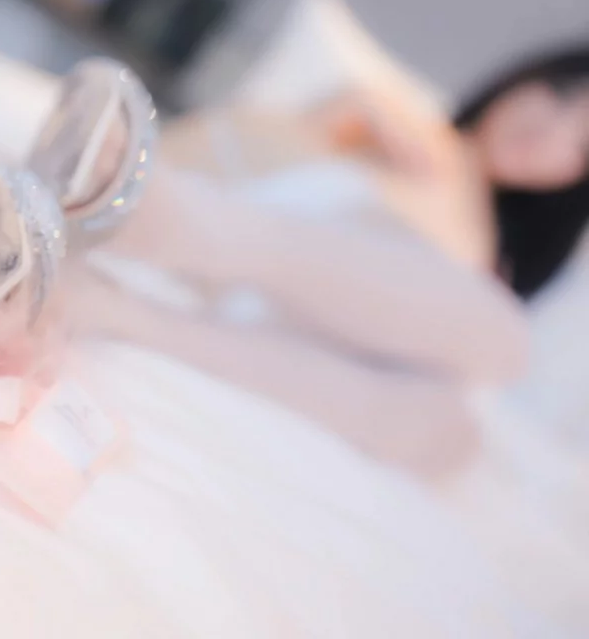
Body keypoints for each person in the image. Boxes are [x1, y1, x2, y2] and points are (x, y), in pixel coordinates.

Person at [67, 46, 589, 477]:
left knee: (457, 428)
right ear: (527, 77)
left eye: (582, 146)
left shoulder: (490, 264)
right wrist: (338, 119)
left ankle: (125, 312)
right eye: (562, 96)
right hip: (250, 264)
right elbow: (226, 146)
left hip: (312, 348)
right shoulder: (393, 122)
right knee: (506, 340)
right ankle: (168, 224)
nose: (549, 133)